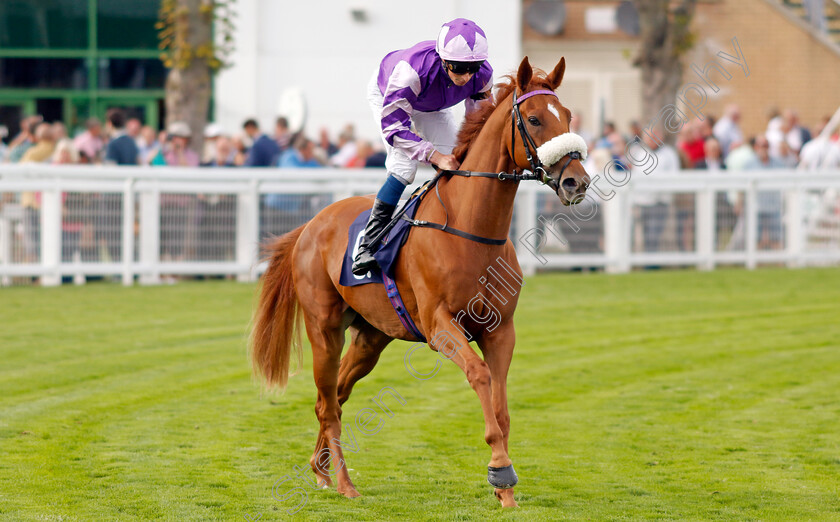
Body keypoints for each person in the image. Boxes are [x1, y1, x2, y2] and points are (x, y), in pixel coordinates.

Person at [351, 18, 493, 275]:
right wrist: (435, 156)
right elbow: (394, 129)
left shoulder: (482, 76)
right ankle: (367, 246)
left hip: (432, 105)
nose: (466, 77)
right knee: (404, 167)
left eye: (473, 68)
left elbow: (477, 122)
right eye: (459, 68)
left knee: (459, 161)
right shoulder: (411, 72)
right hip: (389, 95)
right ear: (443, 59)